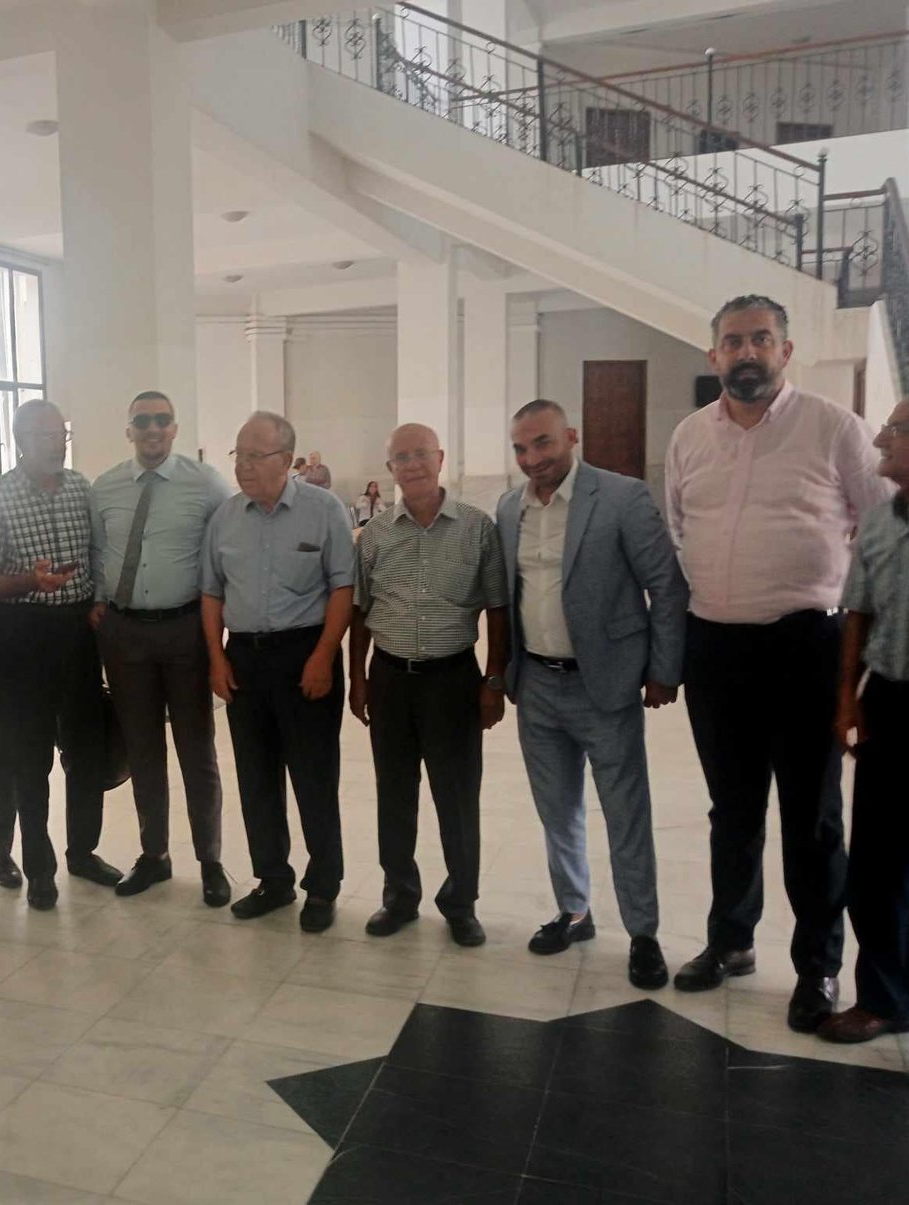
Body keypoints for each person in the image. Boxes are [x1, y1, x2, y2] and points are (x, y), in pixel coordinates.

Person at [666, 294, 890, 1033]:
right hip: (715, 646)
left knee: (811, 817)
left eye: (761, 339)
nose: (746, 352)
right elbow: (679, 528)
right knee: (731, 809)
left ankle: (817, 965)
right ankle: (731, 940)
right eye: (733, 342)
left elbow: (881, 528)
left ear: (785, 351)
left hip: (806, 646)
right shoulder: (690, 436)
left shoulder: (834, 427)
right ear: (714, 356)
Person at [496, 401, 687, 988]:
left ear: (571, 437)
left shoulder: (621, 497)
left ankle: (643, 934)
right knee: (557, 812)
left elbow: (666, 585)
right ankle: (574, 911)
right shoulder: (508, 509)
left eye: (543, 443)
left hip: (604, 685)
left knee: (626, 814)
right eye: (521, 448)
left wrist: (663, 669)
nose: (532, 458)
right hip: (537, 685)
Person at [350, 423, 508, 948]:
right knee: (394, 793)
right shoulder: (375, 535)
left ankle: (461, 902)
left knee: (457, 798)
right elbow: (359, 611)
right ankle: (399, 895)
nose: (412, 464)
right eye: (402, 457)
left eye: (421, 454)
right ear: (389, 469)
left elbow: (497, 608)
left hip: (453, 681)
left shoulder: (477, 529)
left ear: (440, 459)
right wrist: (357, 678)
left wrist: (493, 680)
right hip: (390, 679)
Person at [201, 411, 354, 932]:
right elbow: (211, 592)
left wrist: (324, 655)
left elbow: (342, 587)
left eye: (254, 456)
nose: (242, 466)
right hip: (244, 659)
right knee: (256, 777)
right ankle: (273, 879)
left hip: (305, 655)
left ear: (286, 460)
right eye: (238, 455)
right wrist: (217, 658)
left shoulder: (324, 510)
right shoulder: (225, 518)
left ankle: (323, 885)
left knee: (314, 778)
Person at [0, 399, 122, 908]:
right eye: (43, 435)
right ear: (20, 440)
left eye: (61, 434)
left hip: (78, 631)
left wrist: (97, 599)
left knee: (85, 750)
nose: (56, 443)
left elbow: (97, 554)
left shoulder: (81, 488)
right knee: (30, 757)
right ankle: (39, 867)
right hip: (26, 634)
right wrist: (29, 581)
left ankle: (83, 852)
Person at [91, 390, 232, 906]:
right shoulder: (104, 488)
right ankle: (155, 854)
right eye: (142, 420)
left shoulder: (207, 484)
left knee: (197, 749)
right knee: (142, 748)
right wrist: (99, 602)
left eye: (162, 420)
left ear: (174, 428)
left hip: (185, 632)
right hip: (125, 634)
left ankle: (210, 860)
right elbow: (97, 551)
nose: (152, 428)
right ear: (129, 429)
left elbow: (222, 557)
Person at [822, 400, 909, 1044]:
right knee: (877, 862)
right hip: (891, 704)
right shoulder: (878, 521)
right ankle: (882, 998)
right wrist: (847, 699)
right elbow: (858, 613)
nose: (880, 437)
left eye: (896, 430)